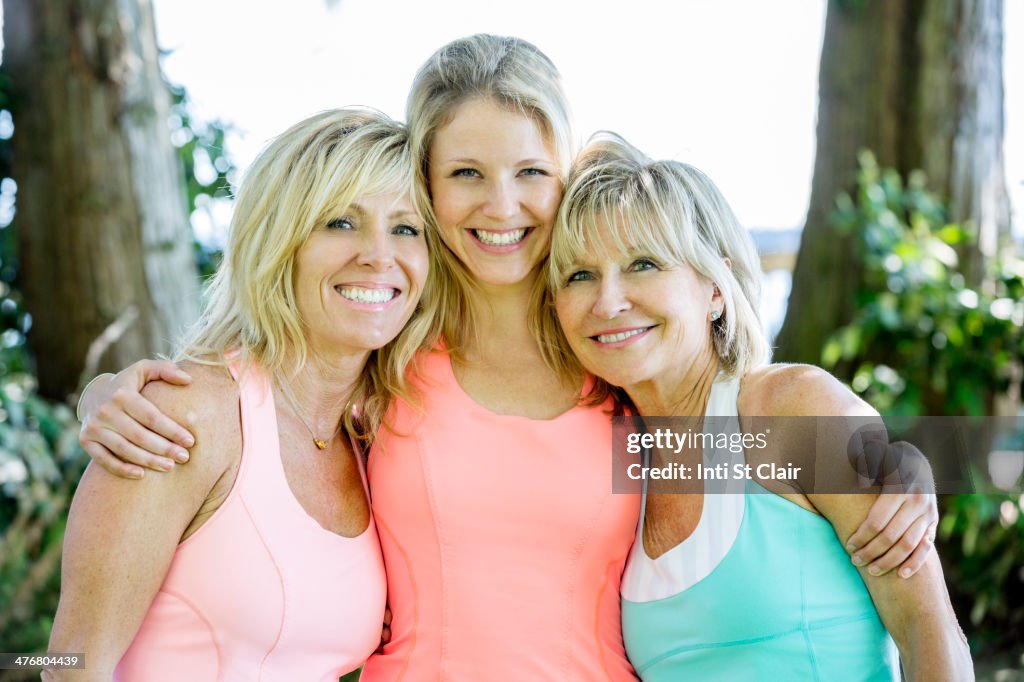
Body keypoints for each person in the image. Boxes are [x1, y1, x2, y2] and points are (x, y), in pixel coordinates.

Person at [76, 35, 940, 680]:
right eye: (465, 174)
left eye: (531, 171)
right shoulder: (392, 360)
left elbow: (771, 451)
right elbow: (266, 398)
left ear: (565, 176)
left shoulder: (616, 369)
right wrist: (116, 392)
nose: (503, 205)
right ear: (426, 183)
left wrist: (905, 460)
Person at [549, 133, 973, 680]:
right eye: (580, 275)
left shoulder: (788, 410)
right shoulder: (619, 469)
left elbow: (929, 632)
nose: (608, 302)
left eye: (644, 264)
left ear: (715, 289)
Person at [46, 109, 438, 681]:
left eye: (406, 228)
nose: (379, 254)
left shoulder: (375, 442)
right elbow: (64, 662)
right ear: (281, 242)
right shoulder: (186, 418)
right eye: (340, 223)